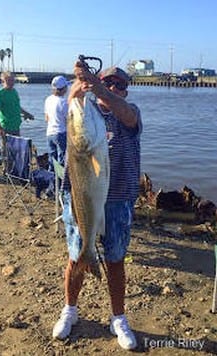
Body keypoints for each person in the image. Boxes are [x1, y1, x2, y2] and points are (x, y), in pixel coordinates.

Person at [52, 61, 142, 351]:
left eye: (119, 85)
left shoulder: (129, 114)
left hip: (118, 200)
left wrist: (99, 87)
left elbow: (127, 116)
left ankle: (118, 318)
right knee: (76, 254)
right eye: (109, 83)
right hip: (81, 196)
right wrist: (79, 85)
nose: (114, 88)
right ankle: (70, 310)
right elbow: (71, 106)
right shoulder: (85, 112)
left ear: (125, 92)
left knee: (115, 260)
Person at [0, 71, 34, 153]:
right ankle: (6, 165)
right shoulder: (0, 94)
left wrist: (27, 114)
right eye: (8, 80)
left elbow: (17, 107)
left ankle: (14, 165)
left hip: (16, 126)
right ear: (3, 81)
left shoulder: (14, 92)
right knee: (6, 151)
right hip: (6, 127)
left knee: (16, 150)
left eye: (12, 80)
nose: (11, 83)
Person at [44, 75, 68, 172]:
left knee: (52, 158)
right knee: (62, 159)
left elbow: (46, 118)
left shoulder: (48, 99)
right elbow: (68, 120)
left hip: (49, 132)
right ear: (64, 89)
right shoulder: (64, 102)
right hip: (61, 132)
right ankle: (61, 182)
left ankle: (51, 180)